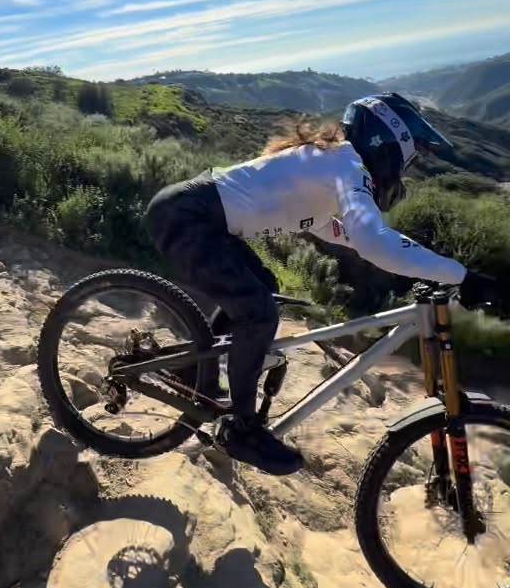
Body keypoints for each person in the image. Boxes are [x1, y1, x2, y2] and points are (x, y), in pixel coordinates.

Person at [145, 92, 495, 476]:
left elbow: (344, 232)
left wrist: (426, 266)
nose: (404, 171)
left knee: (261, 289)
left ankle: (196, 372)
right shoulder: (347, 163)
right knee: (258, 313)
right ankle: (241, 430)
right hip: (189, 217)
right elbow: (373, 240)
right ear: (389, 143)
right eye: (407, 161)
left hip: (195, 214)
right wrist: (461, 276)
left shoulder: (334, 160)